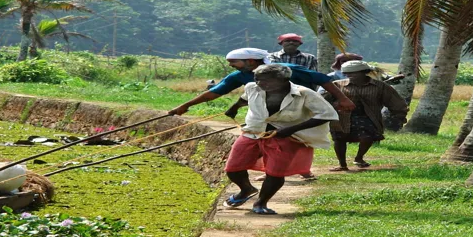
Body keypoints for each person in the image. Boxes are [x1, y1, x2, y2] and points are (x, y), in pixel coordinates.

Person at [222, 64, 338, 214]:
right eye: (257, 79)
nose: (260, 84)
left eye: (266, 81)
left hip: (286, 137)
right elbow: (244, 98)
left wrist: (290, 129)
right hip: (253, 132)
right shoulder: (252, 87)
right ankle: (246, 189)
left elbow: (327, 114)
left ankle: (261, 203)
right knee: (233, 168)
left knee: (275, 172)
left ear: (283, 80)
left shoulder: (304, 94)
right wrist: (234, 107)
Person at [167, 48, 354, 116]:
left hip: (297, 107)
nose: (232, 66)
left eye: (234, 62)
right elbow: (215, 92)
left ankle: (300, 170)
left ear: (251, 61)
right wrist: (185, 105)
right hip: (267, 111)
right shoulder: (240, 76)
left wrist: (343, 99)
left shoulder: (285, 68)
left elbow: (322, 79)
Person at [324, 60, 409, 171]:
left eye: (354, 73)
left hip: (369, 116)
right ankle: (342, 165)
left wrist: (400, 114)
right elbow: (324, 100)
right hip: (342, 116)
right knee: (339, 139)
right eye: (348, 74)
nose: (350, 76)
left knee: (367, 137)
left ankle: (359, 157)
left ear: (364, 72)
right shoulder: (337, 85)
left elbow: (395, 101)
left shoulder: (380, 86)